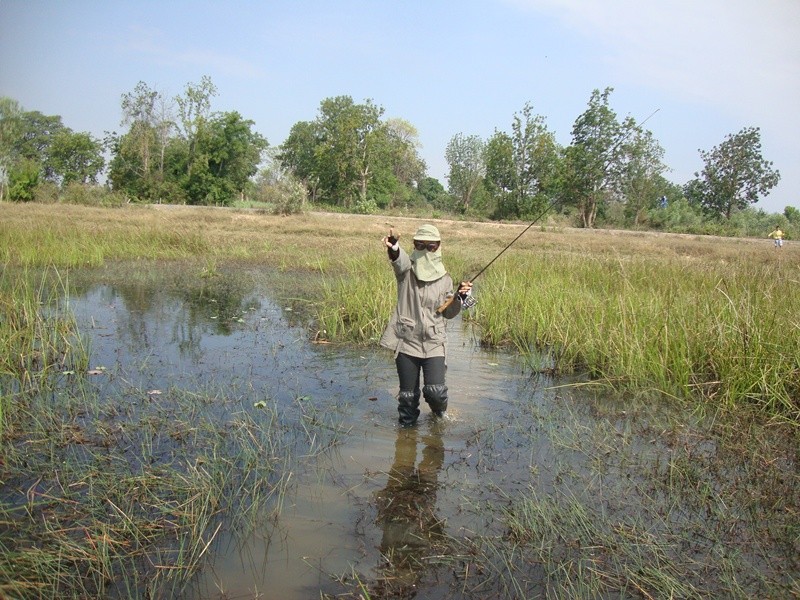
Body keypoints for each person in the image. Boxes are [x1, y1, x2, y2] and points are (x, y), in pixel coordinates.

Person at [380, 224, 472, 427]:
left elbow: (448, 313)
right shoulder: (406, 272)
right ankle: (406, 439)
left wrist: (459, 298)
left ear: (438, 247)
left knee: (435, 392)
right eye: (420, 245)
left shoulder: (445, 279)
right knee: (407, 397)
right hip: (407, 341)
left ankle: (439, 418)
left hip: (434, 341)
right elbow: (398, 259)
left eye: (430, 246)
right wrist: (394, 246)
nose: (425, 250)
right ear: (414, 246)